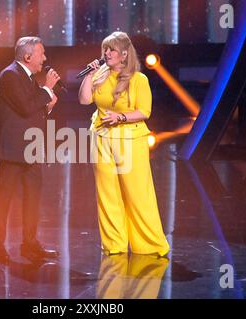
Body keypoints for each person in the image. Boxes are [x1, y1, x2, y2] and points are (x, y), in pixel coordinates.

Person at [78, 31, 170, 257]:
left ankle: (149, 245)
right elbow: (84, 100)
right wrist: (89, 75)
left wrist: (120, 117)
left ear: (125, 54)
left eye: (112, 49)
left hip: (130, 140)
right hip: (101, 137)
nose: (107, 53)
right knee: (107, 194)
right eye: (105, 49)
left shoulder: (139, 80)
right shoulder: (99, 75)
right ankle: (114, 245)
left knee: (137, 193)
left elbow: (145, 111)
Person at [0, 36, 60, 264]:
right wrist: (47, 90)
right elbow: (24, 106)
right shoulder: (10, 75)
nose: (45, 58)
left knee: (32, 198)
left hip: (30, 150)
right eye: (41, 53)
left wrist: (47, 107)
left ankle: (30, 244)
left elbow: (31, 112)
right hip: (12, 151)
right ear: (28, 56)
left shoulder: (28, 78)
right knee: (4, 199)